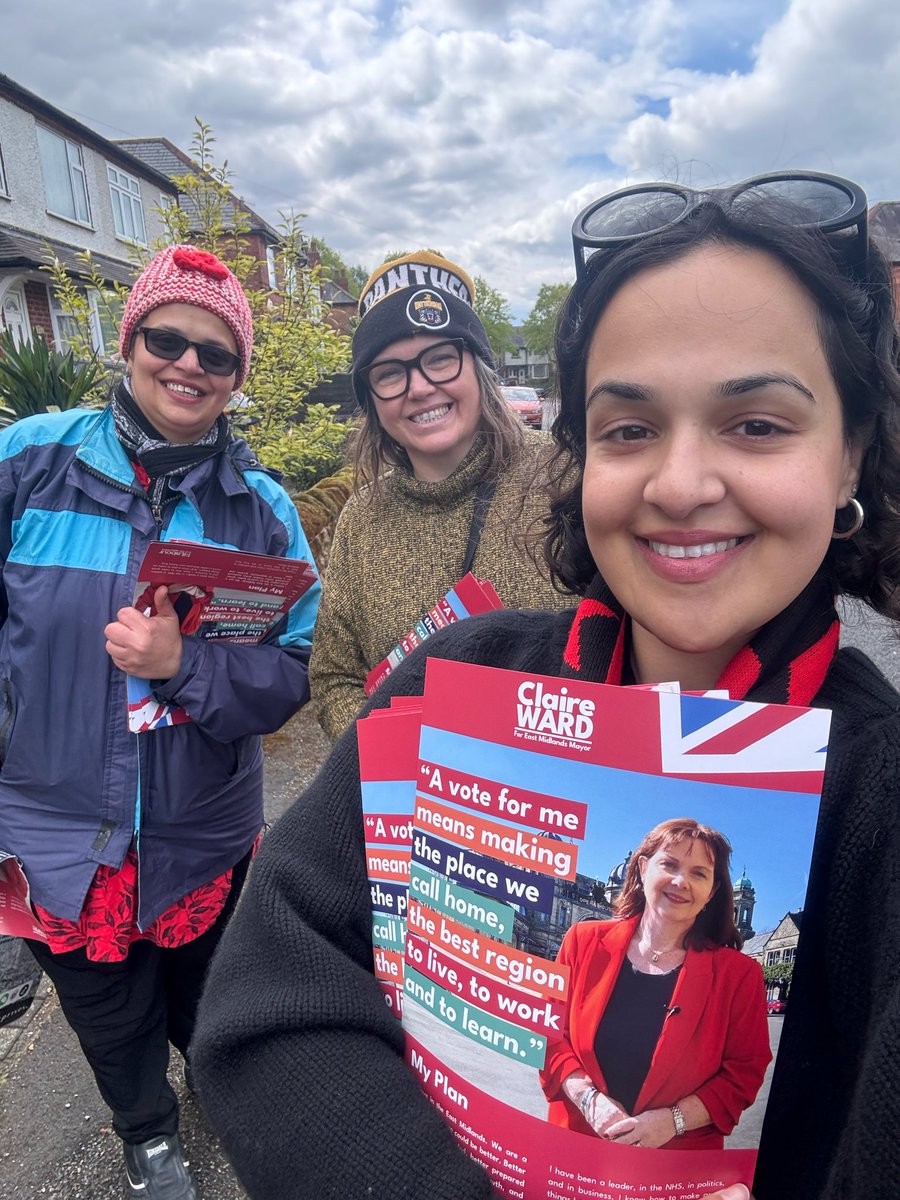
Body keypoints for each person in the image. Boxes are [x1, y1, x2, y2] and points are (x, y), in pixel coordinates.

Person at [192, 173, 900, 1200]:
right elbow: (271, 1001)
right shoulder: (458, 678)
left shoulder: (878, 795)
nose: (680, 482)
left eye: (757, 424)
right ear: (582, 461)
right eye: (628, 428)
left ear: (851, 459)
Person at [0, 244, 320, 1200]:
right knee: (104, 1004)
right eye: (166, 339)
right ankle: (146, 1132)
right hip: (55, 823)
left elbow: (288, 678)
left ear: (237, 379)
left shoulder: (260, 511)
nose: (187, 365)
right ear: (129, 341)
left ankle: (218, 1088)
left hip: (200, 825)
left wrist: (187, 667)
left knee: (206, 989)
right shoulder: (28, 463)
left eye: (215, 355)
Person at [308, 250, 569, 739]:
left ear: (479, 369)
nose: (420, 387)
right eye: (389, 373)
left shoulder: (564, 479)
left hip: (556, 796)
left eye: (441, 359)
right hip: (414, 801)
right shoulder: (363, 518)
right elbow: (332, 678)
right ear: (371, 400)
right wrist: (393, 753)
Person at [540, 819, 771, 1149]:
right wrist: (589, 1100)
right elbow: (548, 1035)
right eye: (670, 864)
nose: (681, 881)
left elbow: (745, 1073)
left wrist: (673, 1121)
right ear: (644, 868)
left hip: (673, 1166)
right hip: (576, 1148)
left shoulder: (740, 975)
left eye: (698, 873)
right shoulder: (582, 940)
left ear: (712, 892)